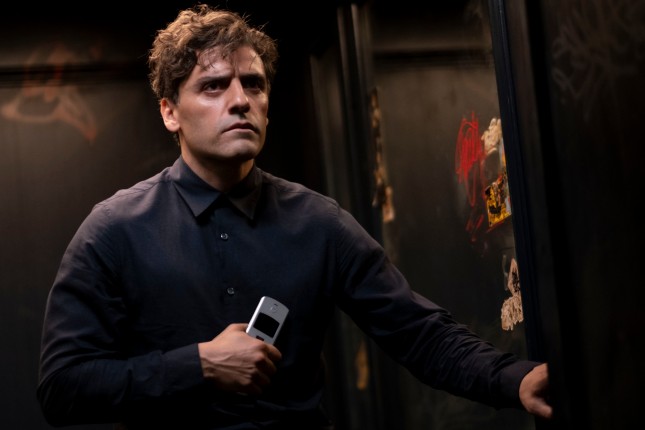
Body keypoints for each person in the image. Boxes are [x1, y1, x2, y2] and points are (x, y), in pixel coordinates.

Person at [37, 4, 552, 429]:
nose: (240, 101)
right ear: (170, 111)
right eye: (213, 87)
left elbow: (418, 332)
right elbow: (63, 387)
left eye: (253, 84)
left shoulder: (317, 222)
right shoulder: (114, 230)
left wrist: (513, 379)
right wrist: (198, 365)